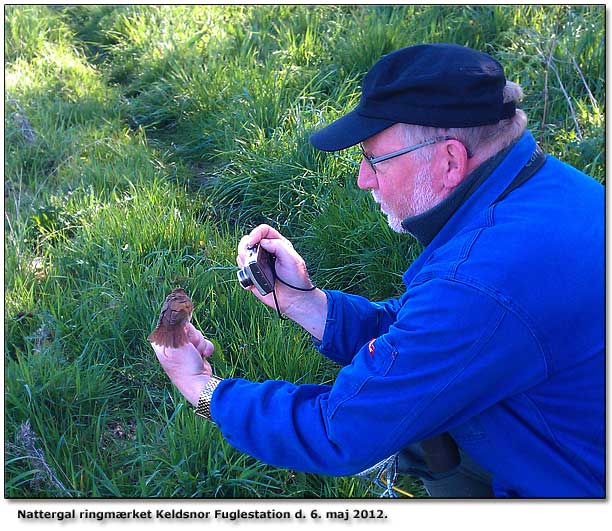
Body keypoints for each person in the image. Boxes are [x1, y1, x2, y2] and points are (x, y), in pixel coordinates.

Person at [151, 43, 604, 498]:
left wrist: (203, 389)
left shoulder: (481, 281)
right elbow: (436, 331)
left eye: (374, 159)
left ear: (449, 160)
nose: (364, 179)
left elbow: (338, 431)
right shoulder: (552, 187)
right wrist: (305, 303)